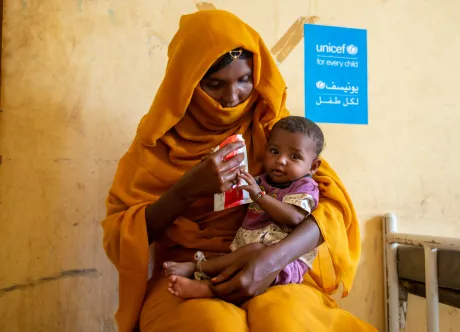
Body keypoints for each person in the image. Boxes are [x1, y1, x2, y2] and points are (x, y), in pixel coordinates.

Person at [102, 9, 377, 332]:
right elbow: (122, 235)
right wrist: (188, 188)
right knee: (216, 326)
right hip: (191, 271)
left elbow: (328, 209)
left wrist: (271, 260)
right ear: (187, 81)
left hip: (274, 267)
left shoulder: (274, 131)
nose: (232, 97)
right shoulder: (156, 146)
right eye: (215, 84)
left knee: (288, 322)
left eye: (245, 79)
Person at [164, 116, 323, 299]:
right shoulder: (262, 180)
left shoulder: (305, 186)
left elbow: (294, 217)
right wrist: (217, 167)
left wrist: (258, 195)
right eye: (274, 151)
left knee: (254, 253)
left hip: (283, 262)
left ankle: (205, 283)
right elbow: (235, 184)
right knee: (241, 258)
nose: (281, 160)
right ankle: (205, 275)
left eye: (294, 156)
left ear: (313, 166)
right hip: (249, 251)